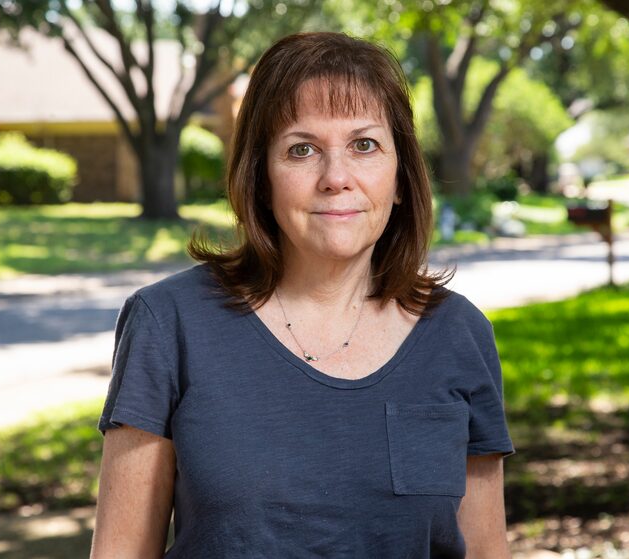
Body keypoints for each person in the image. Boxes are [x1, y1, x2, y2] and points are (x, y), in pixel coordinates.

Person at [90, 31, 515, 559]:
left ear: (401, 176)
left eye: (364, 145)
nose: (336, 178)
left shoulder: (460, 334)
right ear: (261, 176)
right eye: (302, 149)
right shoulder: (169, 324)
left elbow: (486, 551)